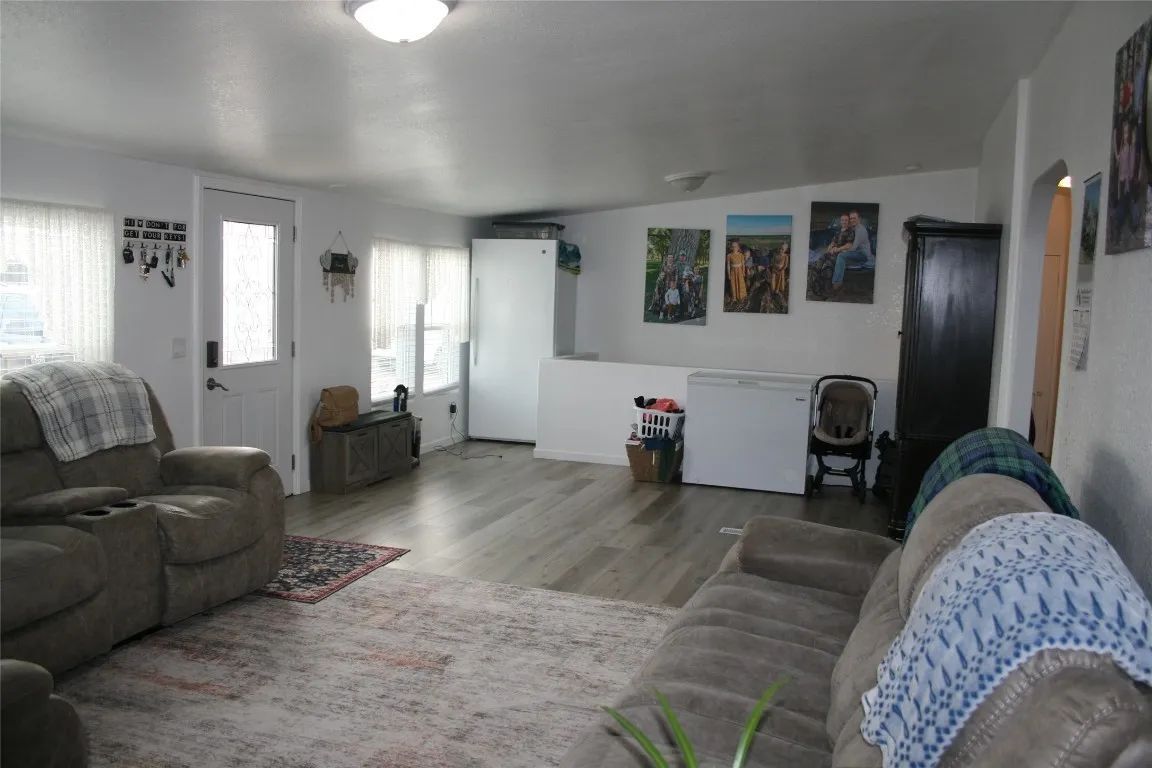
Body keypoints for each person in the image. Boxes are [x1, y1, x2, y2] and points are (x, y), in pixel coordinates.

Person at [832, 210, 873, 294]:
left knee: (841, 256)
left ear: (859, 219)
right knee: (837, 256)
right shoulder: (853, 228)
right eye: (851, 218)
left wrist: (840, 250)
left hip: (863, 255)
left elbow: (853, 247)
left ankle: (837, 283)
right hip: (856, 253)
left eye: (854, 218)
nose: (852, 220)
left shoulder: (860, 230)